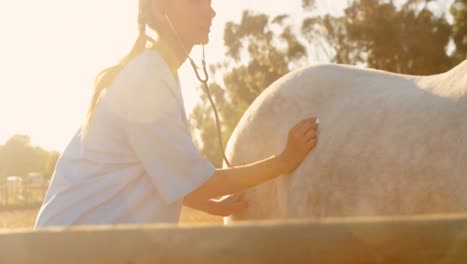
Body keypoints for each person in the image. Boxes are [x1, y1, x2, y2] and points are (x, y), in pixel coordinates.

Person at [34, 0, 318, 228]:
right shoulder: (147, 79)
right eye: (196, 2)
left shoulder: (156, 71)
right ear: (160, 9)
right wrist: (285, 160)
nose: (211, 10)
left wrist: (196, 198)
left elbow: (149, 171)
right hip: (70, 250)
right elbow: (204, 182)